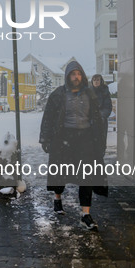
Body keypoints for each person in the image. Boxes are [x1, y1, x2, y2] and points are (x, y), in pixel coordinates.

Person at [39, 60, 107, 230]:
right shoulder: (59, 94)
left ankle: (85, 214)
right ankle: (57, 198)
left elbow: (97, 119)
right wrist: (45, 139)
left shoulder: (89, 94)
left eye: (78, 74)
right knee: (60, 171)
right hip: (63, 138)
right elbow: (48, 117)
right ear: (68, 76)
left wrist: (100, 141)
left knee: (87, 175)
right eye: (73, 74)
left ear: (82, 76)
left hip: (85, 139)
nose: (76, 77)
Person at [90, 74, 113, 140]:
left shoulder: (105, 91)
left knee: (101, 142)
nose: (96, 82)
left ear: (101, 81)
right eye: (94, 80)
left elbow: (108, 107)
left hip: (101, 121)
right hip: (90, 121)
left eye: (98, 80)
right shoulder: (88, 92)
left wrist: (101, 116)